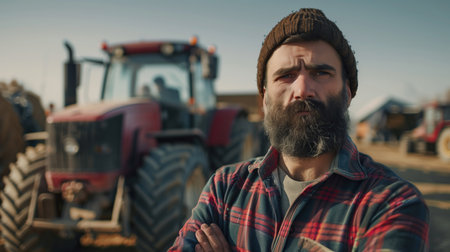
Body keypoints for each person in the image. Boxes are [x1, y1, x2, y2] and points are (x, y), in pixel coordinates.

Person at [169, 8, 429, 251]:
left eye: (321, 73)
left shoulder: (391, 203)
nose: (303, 89)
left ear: (347, 93)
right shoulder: (224, 188)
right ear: (265, 99)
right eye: (286, 75)